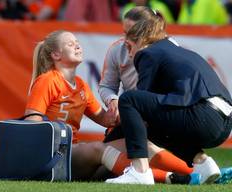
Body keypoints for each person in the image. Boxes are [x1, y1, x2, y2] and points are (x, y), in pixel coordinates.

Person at [24, 29, 200, 183]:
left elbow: (106, 119)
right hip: (53, 158)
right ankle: (166, 177)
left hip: (74, 158)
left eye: (77, 42)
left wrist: (130, 112)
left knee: (136, 143)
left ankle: (196, 174)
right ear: (56, 55)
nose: (77, 46)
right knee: (97, 148)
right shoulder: (47, 80)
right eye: (70, 44)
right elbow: (32, 123)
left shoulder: (80, 84)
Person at [105, 7, 232, 185]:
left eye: (128, 46)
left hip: (204, 116)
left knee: (128, 99)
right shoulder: (172, 48)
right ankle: (203, 162)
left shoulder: (146, 53)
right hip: (224, 123)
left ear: (135, 41)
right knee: (154, 126)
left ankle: (139, 172)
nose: (129, 53)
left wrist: (111, 136)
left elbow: (139, 104)